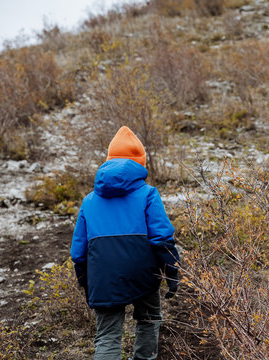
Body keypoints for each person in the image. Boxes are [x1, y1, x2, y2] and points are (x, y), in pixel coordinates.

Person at [71, 126, 179, 360]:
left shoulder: (89, 201)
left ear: (108, 160)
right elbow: (162, 238)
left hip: (103, 276)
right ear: (140, 162)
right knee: (149, 319)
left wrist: (86, 282)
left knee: (108, 335)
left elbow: (78, 253)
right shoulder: (149, 194)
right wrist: (172, 273)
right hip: (144, 274)